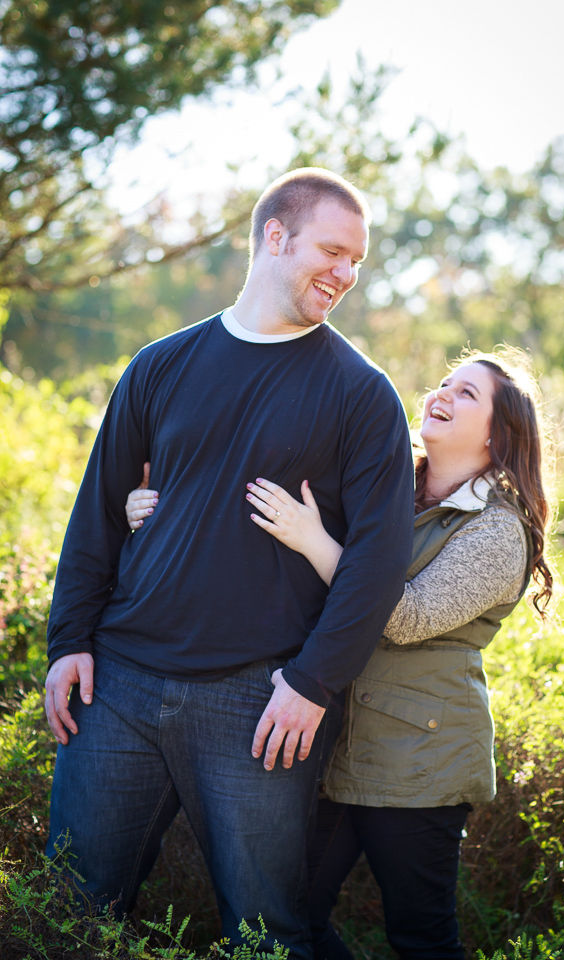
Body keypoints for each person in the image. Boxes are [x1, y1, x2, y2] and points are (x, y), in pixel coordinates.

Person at [44, 168, 416, 958]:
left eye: (358, 261)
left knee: (266, 933)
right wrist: (69, 638)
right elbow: (100, 513)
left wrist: (313, 684)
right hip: (118, 687)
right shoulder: (160, 364)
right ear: (274, 237)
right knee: (69, 906)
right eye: (333, 251)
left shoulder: (362, 393)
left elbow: (379, 564)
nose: (346, 275)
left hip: (260, 703)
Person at [127, 347, 554, 960]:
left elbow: (406, 617)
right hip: (336, 747)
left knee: (422, 938)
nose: (442, 394)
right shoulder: (387, 481)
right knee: (291, 916)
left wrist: (314, 540)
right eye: (443, 382)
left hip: (419, 764)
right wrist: (151, 509)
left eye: (468, 395)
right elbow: (262, 513)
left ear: (499, 434)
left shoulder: (497, 530)